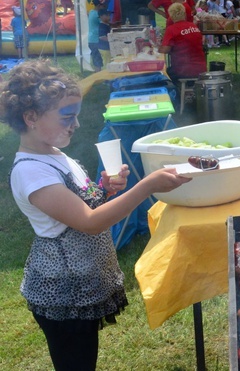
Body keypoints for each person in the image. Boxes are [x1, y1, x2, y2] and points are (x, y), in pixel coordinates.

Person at [0, 60, 190, 371]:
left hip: (81, 282)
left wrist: (104, 190)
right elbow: (90, 223)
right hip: (61, 291)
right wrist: (147, 186)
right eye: (66, 117)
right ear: (31, 117)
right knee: (75, 364)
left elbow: (82, 206)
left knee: (84, 359)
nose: (75, 124)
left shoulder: (54, 153)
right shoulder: (31, 172)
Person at [158, 3, 207, 84]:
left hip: (183, 70)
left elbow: (165, 50)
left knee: (164, 74)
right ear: (184, 14)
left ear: (171, 16)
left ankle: (176, 93)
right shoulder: (194, 26)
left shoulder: (172, 29)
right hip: (201, 68)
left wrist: (157, 47)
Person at [87, 0, 106, 71]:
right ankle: (98, 74)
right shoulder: (97, 15)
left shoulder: (91, 12)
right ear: (98, 5)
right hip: (95, 39)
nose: (104, 7)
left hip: (91, 39)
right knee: (97, 59)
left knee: (96, 58)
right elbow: (105, 22)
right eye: (103, 6)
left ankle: (97, 72)